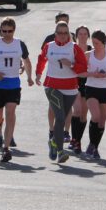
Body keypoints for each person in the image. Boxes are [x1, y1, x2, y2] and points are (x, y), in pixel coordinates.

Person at [0, 17, 34, 163]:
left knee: (11, 112)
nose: (6, 34)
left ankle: (6, 148)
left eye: (9, 31)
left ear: (14, 30)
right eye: (3, 31)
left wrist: (29, 77)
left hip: (13, 84)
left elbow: (27, 61)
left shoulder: (19, 44)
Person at [36, 21, 87, 164]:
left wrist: (70, 64)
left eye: (65, 33)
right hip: (52, 86)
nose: (63, 36)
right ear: (55, 34)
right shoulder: (49, 46)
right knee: (59, 118)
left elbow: (83, 67)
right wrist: (38, 74)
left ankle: (53, 142)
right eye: (60, 33)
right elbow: (42, 59)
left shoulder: (74, 48)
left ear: (69, 33)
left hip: (70, 87)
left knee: (63, 117)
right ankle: (60, 151)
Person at [40, 12, 76, 144]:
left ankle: (66, 131)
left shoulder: (71, 37)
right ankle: (51, 130)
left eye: (66, 21)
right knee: (53, 106)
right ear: (56, 23)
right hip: (54, 78)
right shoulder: (49, 39)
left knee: (68, 107)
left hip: (69, 78)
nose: (63, 23)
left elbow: (77, 56)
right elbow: (43, 57)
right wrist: (39, 73)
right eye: (61, 21)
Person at [84, 30, 106, 159]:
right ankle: (92, 145)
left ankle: (94, 146)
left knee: (102, 121)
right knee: (96, 116)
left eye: (97, 43)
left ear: (104, 43)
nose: (95, 46)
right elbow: (80, 72)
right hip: (91, 87)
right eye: (93, 43)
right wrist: (93, 74)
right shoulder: (88, 55)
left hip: (105, 89)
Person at [69, 25, 92, 154]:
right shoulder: (72, 49)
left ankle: (78, 140)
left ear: (88, 36)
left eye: (85, 34)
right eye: (80, 34)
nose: (82, 36)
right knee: (77, 111)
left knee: (83, 114)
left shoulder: (92, 50)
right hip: (75, 81)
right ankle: (74, 139)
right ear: (76, 36)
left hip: (88, 82)